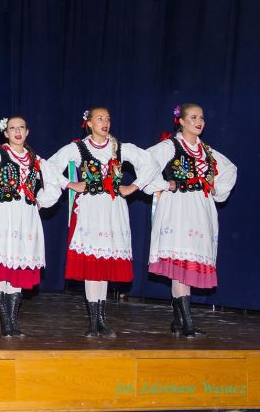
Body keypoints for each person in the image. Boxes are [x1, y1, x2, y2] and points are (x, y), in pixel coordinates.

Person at [47, 107, 158, 337]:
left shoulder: (120, 148)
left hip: (113, 209)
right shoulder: (78, 148)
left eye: (107, 118)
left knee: (105, 263)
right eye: (99, 119)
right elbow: (49, 166)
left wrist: (133, 187)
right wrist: (70, 184)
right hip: (90, 208)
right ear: (89, 123)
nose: (105, 122)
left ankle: (101, 320)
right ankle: (92, 321)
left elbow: (152, 164)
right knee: (92, 265)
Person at [143, 103, 237, 337]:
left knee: (187, 264)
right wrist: (165, 184)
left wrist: (216, 188)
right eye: (193, 117)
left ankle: (179, 321)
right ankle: (187, 324)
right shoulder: (170, 146)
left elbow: (230, 169)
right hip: (178, 208)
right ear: (182, 121)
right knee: (179, 264)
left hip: (200, 210)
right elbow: (143, 163)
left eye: (202, 118)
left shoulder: (206, 151)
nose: (199, 122)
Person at [0, 116, 63, 337]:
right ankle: (6, 322)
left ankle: (13, 321)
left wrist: (41, 200)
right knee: (1, 266)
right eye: (12, 128)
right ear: (6, 133)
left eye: (21, 128)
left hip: (26, 218)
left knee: (18, 266)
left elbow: (54, 184)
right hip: (2, 215)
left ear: (27, 132)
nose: (17, 132)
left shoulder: (37, 160)